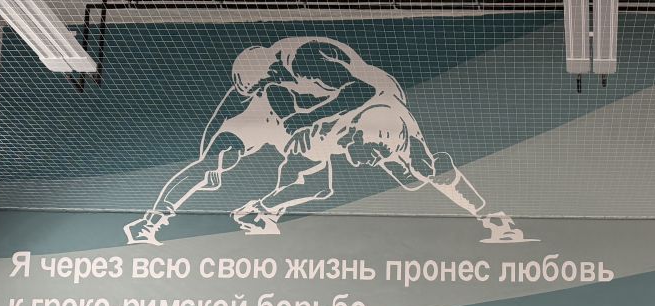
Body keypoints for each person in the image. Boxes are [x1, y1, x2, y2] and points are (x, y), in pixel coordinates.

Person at [124, 37, 523, 246]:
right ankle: (153, 221)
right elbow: (233, 104)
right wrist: (208, 153)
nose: (262, 89)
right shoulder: (263, 76)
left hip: (356, 106)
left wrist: (306, 120)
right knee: (223, 160)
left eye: (263, 84)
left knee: (414, 175)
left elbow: (359, 91)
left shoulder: (305, 60)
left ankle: (490, 216)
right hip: (318, 115)